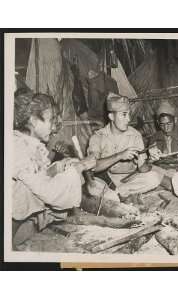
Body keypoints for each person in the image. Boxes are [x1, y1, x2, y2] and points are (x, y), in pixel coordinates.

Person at [12, 92, 96, 246]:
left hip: (25, 222)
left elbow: (39, 176)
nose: (53, 127)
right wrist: (80, 166)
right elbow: (45, 191)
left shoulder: (32, 144)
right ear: (33, 120)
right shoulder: (17, 146)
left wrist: (60, 166)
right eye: (50, 120)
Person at [87, 92, 162, 201]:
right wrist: (119, 155)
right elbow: (93, 166)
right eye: (124, 114)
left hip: (130, 180)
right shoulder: (98, 137)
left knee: (154, 178)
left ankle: (117, 194)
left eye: (129, 114)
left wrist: (150, 160)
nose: (129, 119)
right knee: (92, 187)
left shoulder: (135, 135)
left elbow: (142, 168)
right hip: (108, 180)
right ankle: (119, 195)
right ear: (111, 116)